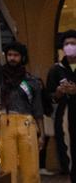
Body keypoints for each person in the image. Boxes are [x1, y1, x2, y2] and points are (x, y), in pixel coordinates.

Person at [0, 15, 43, 183]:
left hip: (27, 123)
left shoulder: (32, 81)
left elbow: (38, 109)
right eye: (9, 55)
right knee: (7, 168)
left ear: (22, 58)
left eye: (15, 55)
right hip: (5, 122)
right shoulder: (0, 73)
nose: (12, 58)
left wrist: (41, 134)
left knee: (31, 169)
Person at [46, 29, 76, 181]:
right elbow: (50, 97)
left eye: (73, 43)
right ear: (62, 47)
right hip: (65, 115)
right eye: (67, 44)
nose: (70, 46)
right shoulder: (56, 69)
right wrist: (58, 93)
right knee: (68, 150)